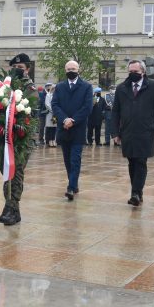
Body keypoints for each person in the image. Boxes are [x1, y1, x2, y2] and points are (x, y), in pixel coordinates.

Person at [111, 59, 154, 206]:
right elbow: (115, 111)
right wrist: (115, 133)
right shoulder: (122, 88)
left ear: (143, 72)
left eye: (135, 72)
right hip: (128, 131)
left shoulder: (153, 86)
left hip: (146, 131)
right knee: (131, 162)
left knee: (141, 161)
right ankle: (137, 192)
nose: (132, 74)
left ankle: (135, 193)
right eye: (130, 72)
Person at [0, 53, 37, 226]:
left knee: (16, 172)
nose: (17, 71)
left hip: (22, 139)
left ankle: (11, 208)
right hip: (5, 137)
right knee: (7, 172)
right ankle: (13, 210)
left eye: (21, 68)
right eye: (14, 68)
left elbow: (32, 112)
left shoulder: (31, 89)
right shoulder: (6, 87)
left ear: (27, 70)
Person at [50, 60, 93, 201]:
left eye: (73, 68)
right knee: (67, 160)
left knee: (75, 159)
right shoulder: (60, 87)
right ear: (65, 70)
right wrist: (64, 119)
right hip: (63, 128)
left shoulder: (86, 86)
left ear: (78, 70)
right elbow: (55, 104)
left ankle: (70, 187)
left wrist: (73, 120)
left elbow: (87, 107)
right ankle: (74, 184)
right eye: (68, 69)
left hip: (78, 129)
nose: (71, 71)